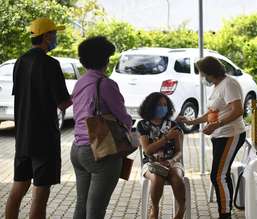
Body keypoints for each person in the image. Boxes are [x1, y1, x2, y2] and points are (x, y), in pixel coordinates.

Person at [5, 18, 72, 219]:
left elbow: (21, 94)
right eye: (54, 34)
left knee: (18, 188)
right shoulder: (51, 64)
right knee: (40, 196)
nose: (56, 38)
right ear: (47, 36)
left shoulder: (20, 61)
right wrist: (80, 94)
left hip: (23, 138)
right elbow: (63, 103)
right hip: (44, 140)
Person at [70, 36, 132, 219]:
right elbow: (123, 117)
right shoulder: (106, 84)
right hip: (100, 151)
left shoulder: (80, 82)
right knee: (96, 210)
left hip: (78, 149)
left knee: (81, 206)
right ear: (106, 59)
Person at [178, 56, 246, 219]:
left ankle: (225, 214)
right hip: (220, 135)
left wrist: (217, 124)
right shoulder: (218, 86)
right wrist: (193, 121)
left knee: (218, 175)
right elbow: (212, 113)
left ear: (211, 72)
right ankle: (225, 210)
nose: (202, 78)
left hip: (231, 134)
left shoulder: (229, 84)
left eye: (202, 74)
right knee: (222, 174)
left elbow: (237, 110)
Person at [137, 92, 186, 219]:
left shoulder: (173, 126)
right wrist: (165, 138)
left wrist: (171, 161)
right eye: (159, 105)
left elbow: (179, 151)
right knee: (157, 178)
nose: (162, 107)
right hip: (150, 163)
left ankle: (181, 210)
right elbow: (147, 150)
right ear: (151, 106)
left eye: (165, 105)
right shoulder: (143, 125)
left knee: (177, 177)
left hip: (172, 162)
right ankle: (155, 208)